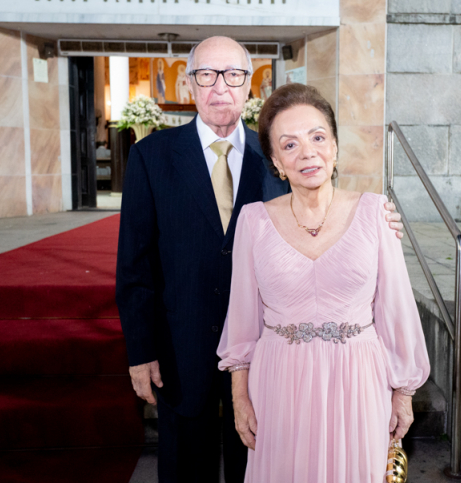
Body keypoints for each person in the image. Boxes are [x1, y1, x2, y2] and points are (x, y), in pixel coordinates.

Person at [115, 37, 405, 483]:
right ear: (190, 83)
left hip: (268, 359)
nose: (220, 87)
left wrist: (380, 226)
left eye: (233, 75)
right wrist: (140, 350)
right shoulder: (151, 156)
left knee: (256, 466)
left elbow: (321, 218)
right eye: (206, 75)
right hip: (181, 345)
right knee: (183, 468)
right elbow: (134, 264)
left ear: (248, 85)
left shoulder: (276, 153)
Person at [217, 83, 430, 483]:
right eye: (290, 144)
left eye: (317, 137)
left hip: (359, 382)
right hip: (279, 383)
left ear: (334, 147)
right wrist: (239, 395)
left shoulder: (376, 212)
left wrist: (403, 394)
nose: (308, 152)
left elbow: (396, 308)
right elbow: (243, 317)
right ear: (276, 161)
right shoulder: (252, 221)